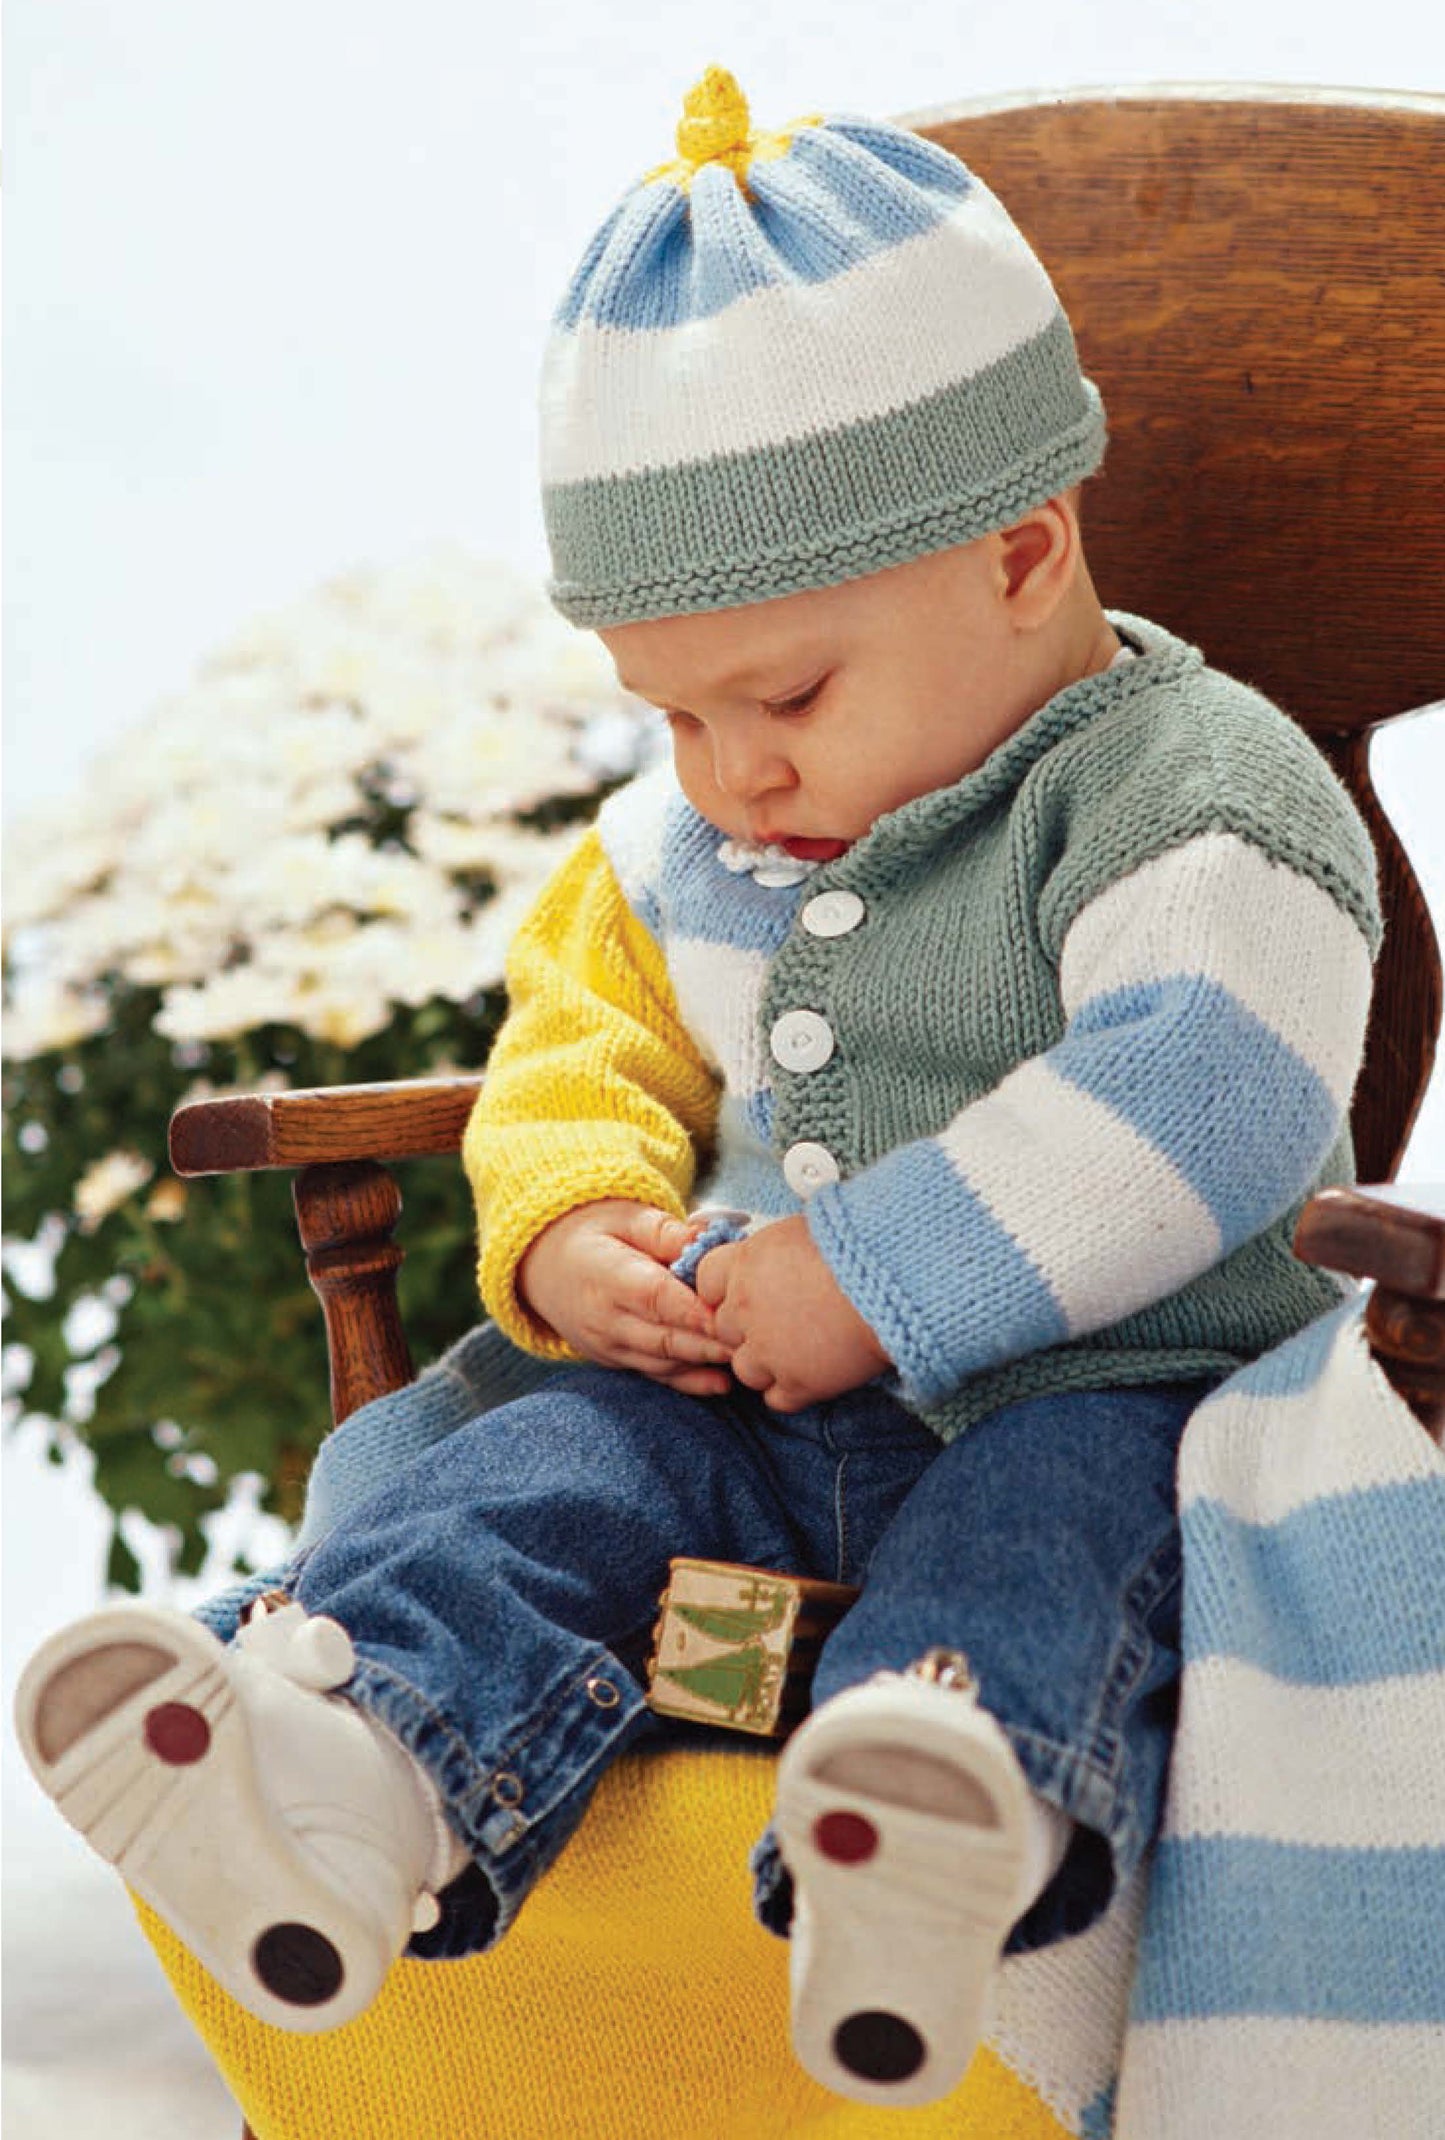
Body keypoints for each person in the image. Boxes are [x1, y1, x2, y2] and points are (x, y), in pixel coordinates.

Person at [16, 65, 1382, 2108]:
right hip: (747, 1420)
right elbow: (577, 1046)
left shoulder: (1191, 794)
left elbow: (1209, 1083)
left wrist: (875, 1268)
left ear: (1020, 548)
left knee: (1043, 1532)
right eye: (670, 712)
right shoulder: (694, 852)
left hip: (1123, 1390)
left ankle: (931, 1830)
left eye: (788, 694)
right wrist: (577, 1239)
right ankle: (346, 1770)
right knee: (551, 1469)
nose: (731, 771)